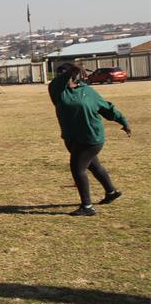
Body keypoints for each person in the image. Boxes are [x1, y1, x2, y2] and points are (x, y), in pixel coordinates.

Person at [48, 62, 132, 216]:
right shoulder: (57, 91)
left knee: (77, 168)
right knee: (94, 166)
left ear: (75, 76)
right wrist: (73, 69)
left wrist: (123, 121)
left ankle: (87, 207)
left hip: (91, 137)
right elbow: (59, 81)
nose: (61, 76)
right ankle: (111, 192)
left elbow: (106, 108)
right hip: (72, 138)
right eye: (59, 74)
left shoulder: (88, 91)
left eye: (65, 73)